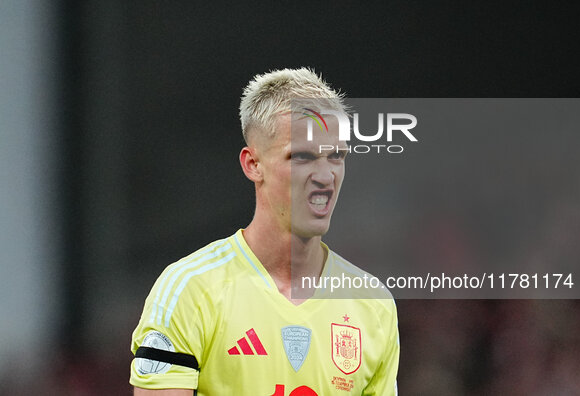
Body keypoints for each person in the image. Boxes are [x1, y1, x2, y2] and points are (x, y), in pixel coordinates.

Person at [130, 68, 400, 395]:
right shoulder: (190, 291)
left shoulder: (372, 303)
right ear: (253, 165)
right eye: (302, 156)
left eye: (336, 156)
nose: (326, 176)